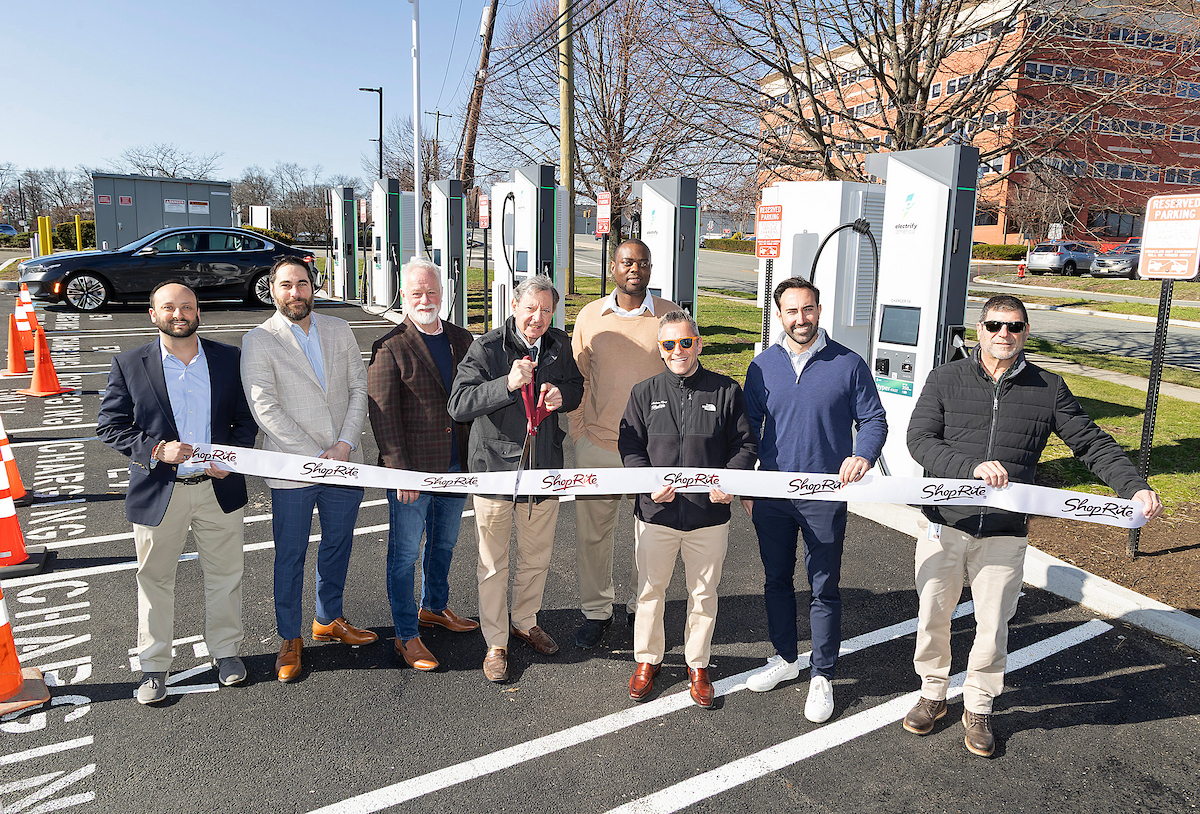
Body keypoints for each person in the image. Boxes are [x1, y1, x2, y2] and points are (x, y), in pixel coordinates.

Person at [904, 294, 1162, 757]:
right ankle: (933, 692)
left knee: (993, 624)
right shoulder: (945, 378)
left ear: (1026, 332)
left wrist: (1133, 486)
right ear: (979, 329)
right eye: (995, 325)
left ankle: (979, 706)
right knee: (932, 616)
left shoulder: (1049, 387)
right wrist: (972, 468)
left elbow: (1090, 442)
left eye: (1015, 326)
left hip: (1005, 532)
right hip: (945, 523)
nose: (1004, 334)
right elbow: (919, 440)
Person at [98, 281, 258, 704]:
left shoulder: (228, 359)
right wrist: (155, 449)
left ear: (199, 312)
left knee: (226, 575)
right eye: (168, 307)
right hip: (159, 490)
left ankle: (225, 653)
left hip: (216, 488)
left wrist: (234, 456)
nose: (178, 314)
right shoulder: (131, 364)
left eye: (187, 306)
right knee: (154, 580)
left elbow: (245, 419)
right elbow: (110, 425)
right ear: (154, 315)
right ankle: (153, 666)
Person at [741, 277, 887, 723]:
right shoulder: (762, 367)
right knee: (776, 581)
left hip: (825, 496)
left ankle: (822, 672)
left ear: (819, 311)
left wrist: (862, 455)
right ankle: (786, 659)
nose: (800, 319)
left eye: (807, 310)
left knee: (824, 586)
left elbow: (874, 419)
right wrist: (747, 485)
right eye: (791, 311)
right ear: (779, 315)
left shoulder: (848, 363)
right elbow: (746, 431)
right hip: (774, 495)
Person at [241, 256, 377, 683]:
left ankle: (328, 618)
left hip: (344, 461)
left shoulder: (338, 328)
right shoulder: (259, 340)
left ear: (312, 288)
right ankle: (289, 637)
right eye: (286, 285)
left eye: (302, 283)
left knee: (337, 545)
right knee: (291, 555)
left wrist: (345, 444)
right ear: (273, 290)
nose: (295, 292)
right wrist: (314, 455)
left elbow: (359, 388)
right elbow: (265, 408)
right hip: (292, 470)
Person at [447, 275, 584, 683]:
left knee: (536, 557)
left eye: (546, 310)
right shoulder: (487, 347)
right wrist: (506, 385)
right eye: (530, 309)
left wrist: (564, 395)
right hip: (495, 471)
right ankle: (495, 641)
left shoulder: (559, 345)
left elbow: (576, 388)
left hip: (543, 471)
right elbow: (459, 404)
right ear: (513, 305)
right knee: (493, 564)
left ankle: (525, 621)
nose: (537, 318)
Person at [618, 310, 757, 707]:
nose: (677, 350)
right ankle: (648, 660)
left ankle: (698, 664)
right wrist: (648, 483)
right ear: (659, 350)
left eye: (685, 342)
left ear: (698, 343)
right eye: (668, 344)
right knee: (650, 592)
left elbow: (745, 446)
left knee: (704, 594)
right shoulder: (644, 392)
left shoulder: (727, 390)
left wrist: (728, 482)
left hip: (707, 517)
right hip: (656, 515)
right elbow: (629, 446)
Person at [367, 258, 478, 672]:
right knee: (404, 553)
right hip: (412, 472)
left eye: (432, 292)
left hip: (456, 467)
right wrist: (399, 470)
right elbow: (382, 414)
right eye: (416, 293)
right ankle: (406, 635)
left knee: (445, 544)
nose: (425, 299)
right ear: (404, 296)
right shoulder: (390, 346)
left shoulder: (462, 339)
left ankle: (434, 606)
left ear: (443, 293)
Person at [567, 238, 678, 649]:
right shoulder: (590, 317)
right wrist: (578, 433)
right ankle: (597, 611)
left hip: (654, 451)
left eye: (643, 263)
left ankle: (639, 609)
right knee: (592, 536)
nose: (636, 269)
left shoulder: (670, 315)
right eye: (627, 262)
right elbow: (578, 381)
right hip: (597, 445)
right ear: (613, 266)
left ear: (651, 269)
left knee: (648, 536)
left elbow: (683, 374)